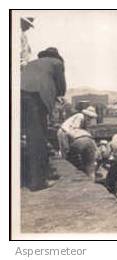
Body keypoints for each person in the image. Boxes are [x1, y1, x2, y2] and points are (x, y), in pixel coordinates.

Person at [21, 47, 66, 191]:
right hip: (36, 98)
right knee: (38, 139)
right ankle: (38, 182)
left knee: (31, 136)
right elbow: (61, 86)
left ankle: (41, 174)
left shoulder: (32, 63)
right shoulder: (57, 63)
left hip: (18, 97)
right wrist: (59, 95)